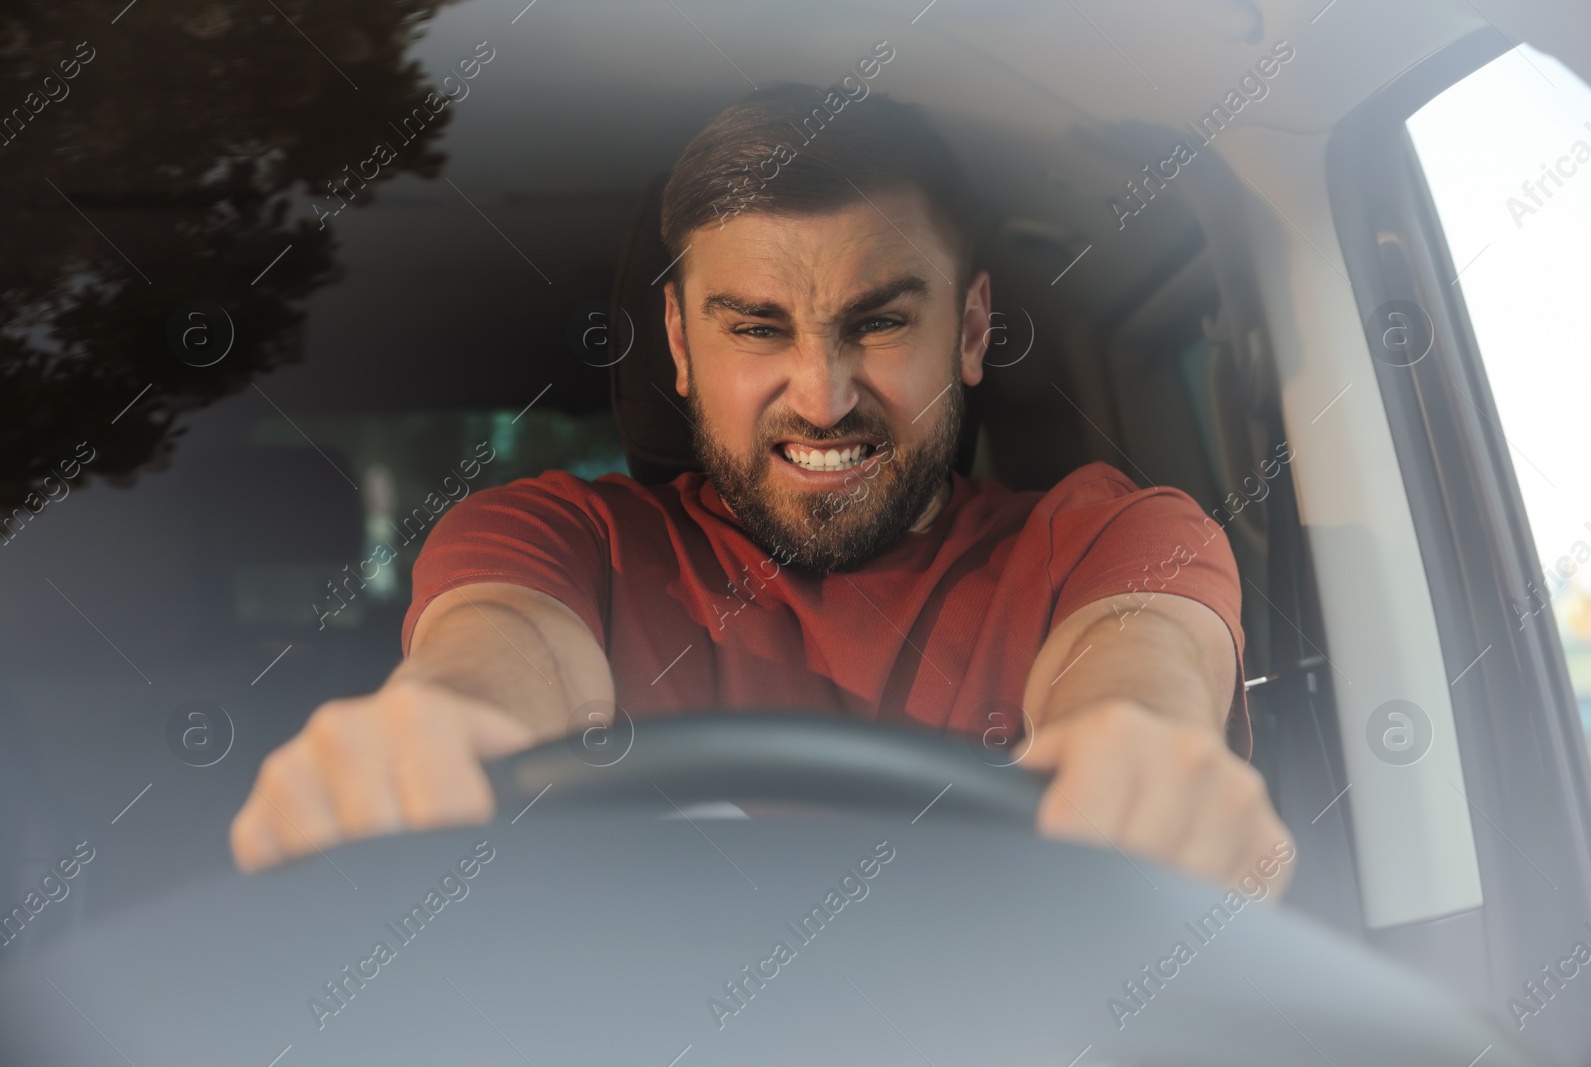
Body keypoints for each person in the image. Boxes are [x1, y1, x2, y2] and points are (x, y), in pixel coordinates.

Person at [230, 83, 1293, 890]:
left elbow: (1142, 664)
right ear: (682, 348)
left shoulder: (1116, 535)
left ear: (969, 331)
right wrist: (436, 728)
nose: (823, 398)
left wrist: (1143, 750)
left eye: (878, 322)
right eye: (755, 328)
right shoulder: (557, 536)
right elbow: (498, 649)